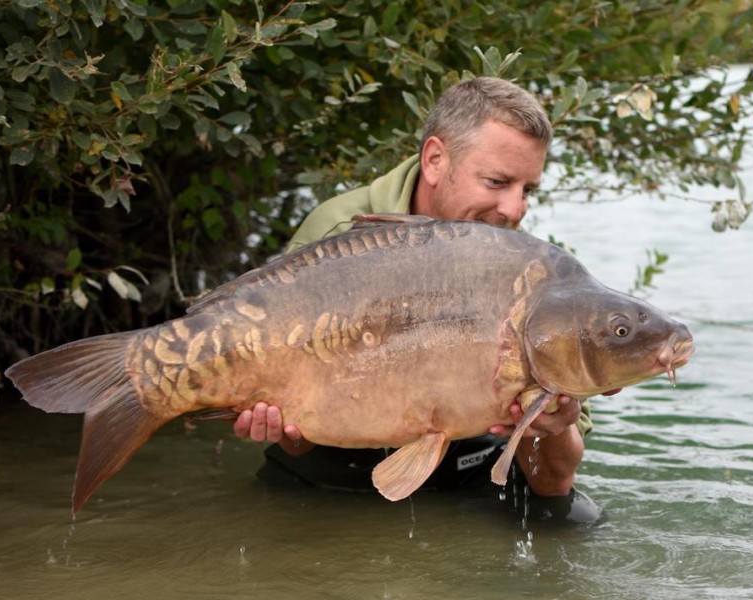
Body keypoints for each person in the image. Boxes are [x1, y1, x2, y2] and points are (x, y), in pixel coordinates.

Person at [233, 77, 610, 522]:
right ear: (434, 160)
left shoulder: (529, 276)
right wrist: (282, 427)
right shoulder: (338, 238)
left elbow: (554, 482)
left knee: (574, 521)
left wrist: (550, 426)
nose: (514, 210)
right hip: (333, 476)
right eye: (496, 182)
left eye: (527, 190)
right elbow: (295, 435)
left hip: (468, 472)